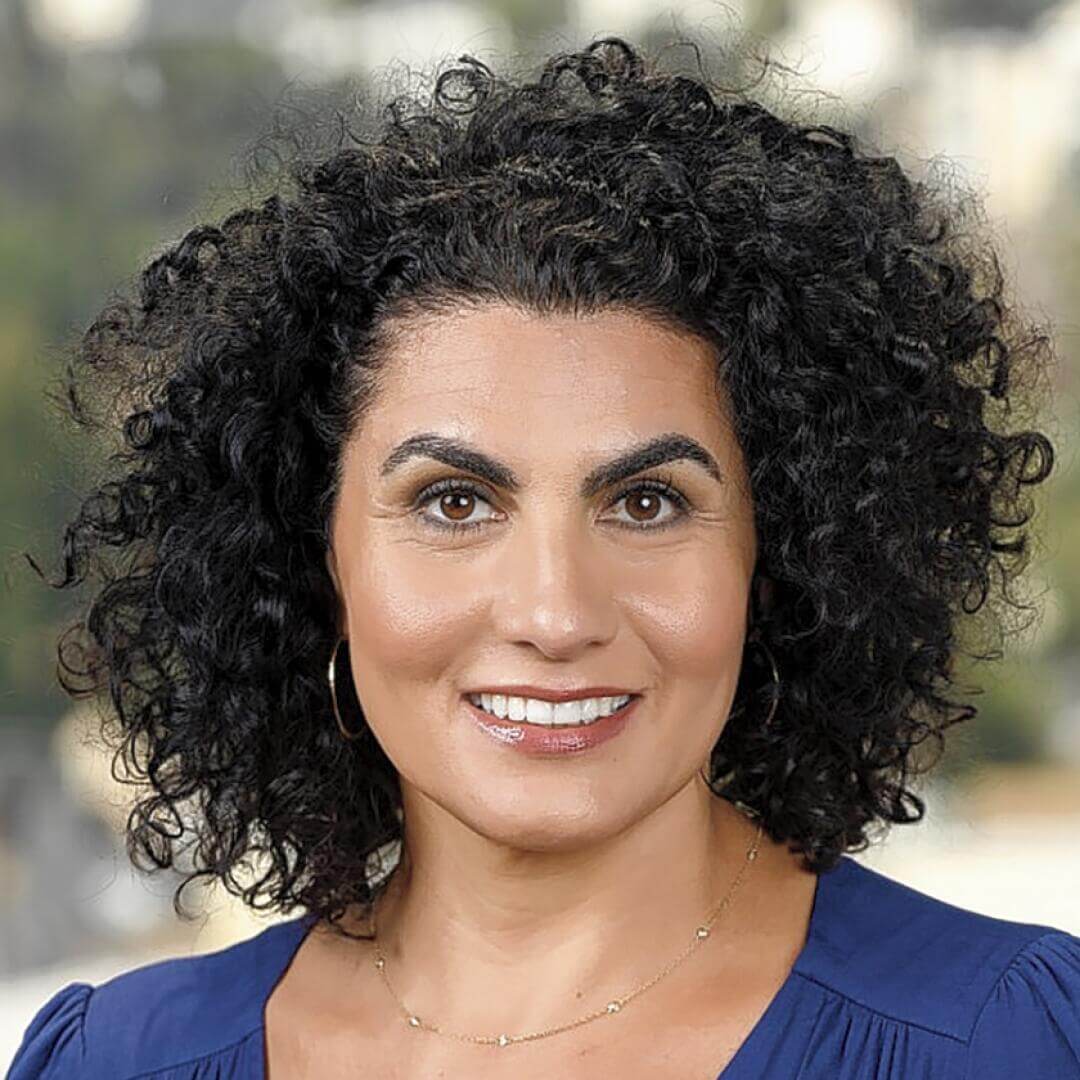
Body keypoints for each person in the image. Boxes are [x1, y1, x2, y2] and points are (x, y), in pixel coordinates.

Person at [9, 30, 1079, 1080]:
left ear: (783, 555)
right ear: (317, 559)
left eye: (648, 503)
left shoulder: (1008, 1043)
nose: (556, 614)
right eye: (456, 503)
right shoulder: (118, 1061)